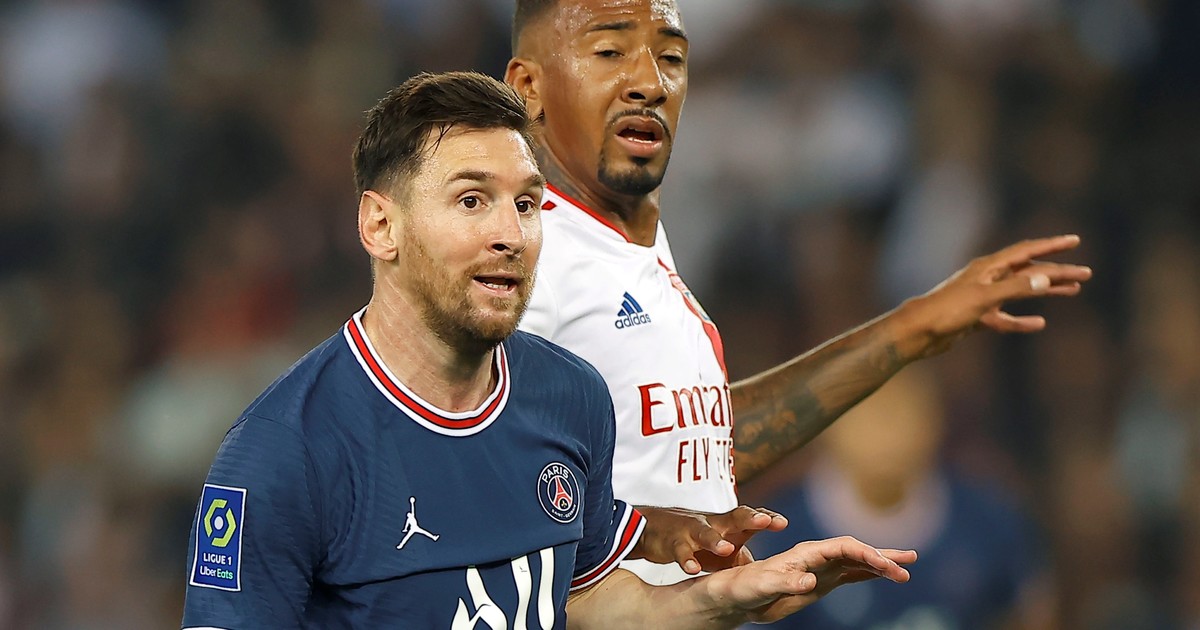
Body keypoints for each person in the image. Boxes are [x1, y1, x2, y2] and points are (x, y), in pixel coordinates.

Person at [180, 71, 915, 629]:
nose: (511, 234)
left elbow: (586, 603)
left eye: (527, 203)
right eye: (472, 200)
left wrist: (729, 597)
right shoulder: (283, 453)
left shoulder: (570, 395)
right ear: (381, 227)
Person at [503, 0, 1092, 584]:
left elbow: (700, 450)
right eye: (610, 52)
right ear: (529, 87)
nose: (650, 83)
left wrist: (915, 327)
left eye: (671, 58)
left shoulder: (625, 242)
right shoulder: (526, 259)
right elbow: (488, 506)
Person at [747, 366, 1052, 629]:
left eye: (901, 408)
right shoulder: (779, 538)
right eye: (866, 410)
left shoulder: (990, 523)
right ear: (827, 425)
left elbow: (1028, 615)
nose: (886, 428)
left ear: (935, 419)